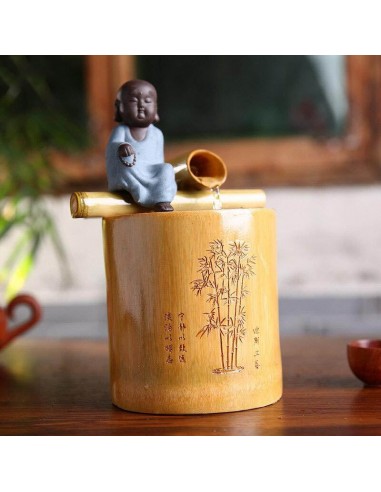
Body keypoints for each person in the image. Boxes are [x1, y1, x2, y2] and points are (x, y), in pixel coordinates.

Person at [106, 79, 177, 212]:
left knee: (166, 169)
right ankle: (130, 189)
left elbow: (158, 159)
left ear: (156, 107)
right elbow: (113, 148)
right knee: (126, 165)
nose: (141, 105)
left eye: (147, 101)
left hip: (150, 171)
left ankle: (161, 198)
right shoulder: (121, 130)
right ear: (120, 107)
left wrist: (157, 173)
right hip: (131, 168)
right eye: (133, 101)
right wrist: (121, 148)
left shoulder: (157, 134)